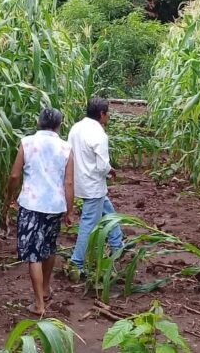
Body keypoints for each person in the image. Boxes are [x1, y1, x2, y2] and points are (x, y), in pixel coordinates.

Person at [8, 108, 74, 316]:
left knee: (33, 253)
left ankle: (38, 304)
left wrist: (10, 197)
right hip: (54, 205)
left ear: (39, 121)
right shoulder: (66, 147)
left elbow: (14, 175)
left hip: (31, 204)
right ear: (59, 125)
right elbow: (69, 182)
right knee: (49, 247)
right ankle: (45, 289)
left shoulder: (27, 143)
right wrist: (70, 210)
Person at [69, 97, 124, 275]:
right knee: (88, 223)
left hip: (79, 181)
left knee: (108, 210)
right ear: (102, 114)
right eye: (108, 114)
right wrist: (109, 170)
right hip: (93, 186)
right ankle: (77, 262)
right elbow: (101, 166)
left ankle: (117, 244)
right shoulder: (99, 135)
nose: (108, 118)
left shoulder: (76, 128)